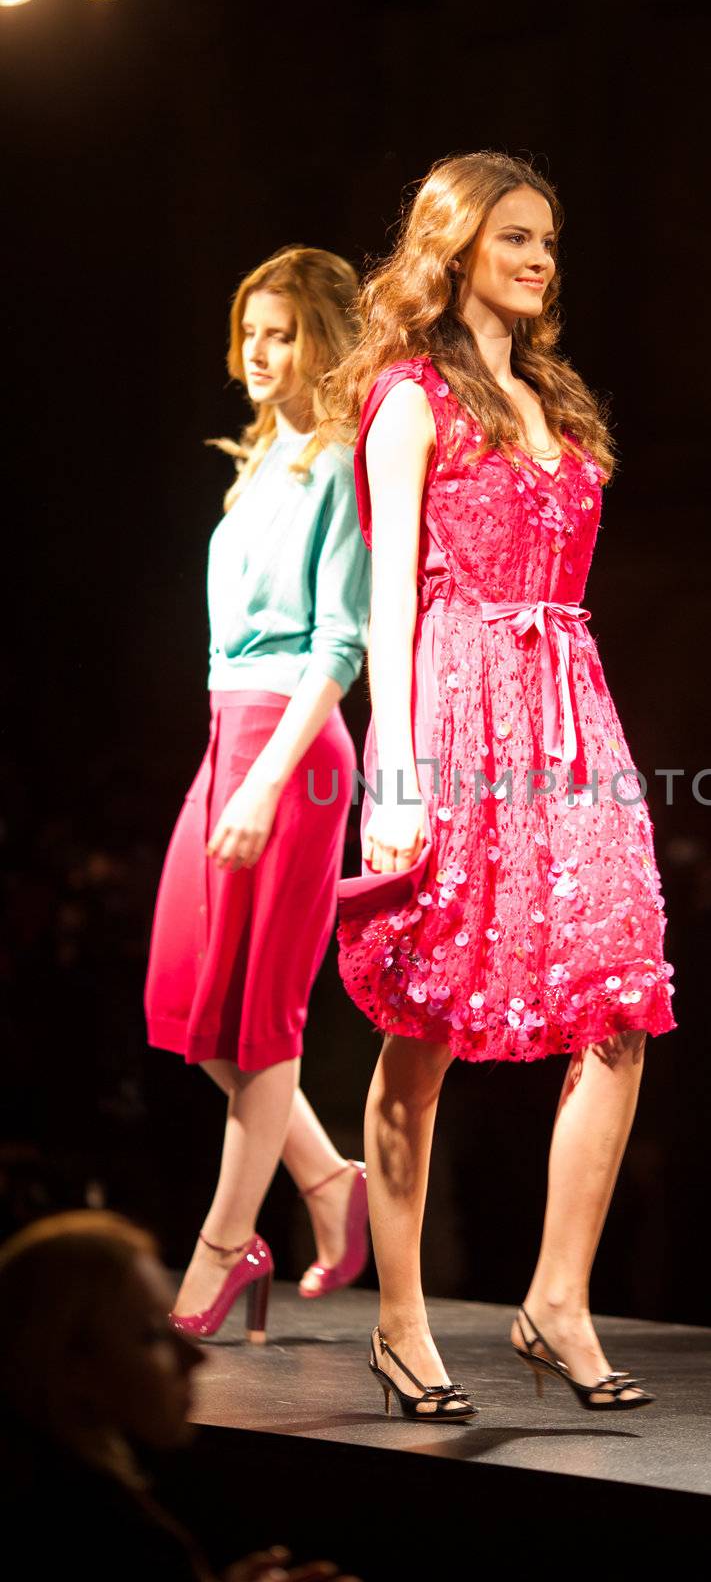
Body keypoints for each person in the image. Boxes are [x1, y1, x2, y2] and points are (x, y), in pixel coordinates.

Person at [325, 153, 676, 1418]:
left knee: (622, 995)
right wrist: (398, 772)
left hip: (568, 705)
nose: (538, 259)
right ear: (456, 243)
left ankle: (556, 1299)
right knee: (422, 1023)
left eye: (547, 241)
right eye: (516, 237)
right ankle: (404, 1320)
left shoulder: (554, 399)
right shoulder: (411, 398)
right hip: (458, 703)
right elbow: (388, 598)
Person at [144, 248, 371, 1337]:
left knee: (261, 1018)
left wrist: (266, 778)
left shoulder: (337, 462)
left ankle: (222, 1255)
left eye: (280, 331)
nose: (258, 352)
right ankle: (329, 1181)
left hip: (295, 747)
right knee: (195, 1012)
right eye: (249, 332)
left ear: (320, 337)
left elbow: (341, 642)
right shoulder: (257, 465)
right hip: (228, 733)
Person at [0, 1211, 354, 1580]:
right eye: (152, 1334)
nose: (196, 1356)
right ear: (70, 1365)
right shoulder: (106, 1533)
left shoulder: (52, 1492)